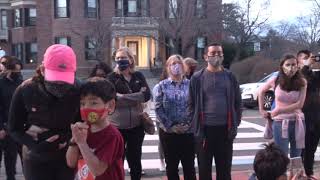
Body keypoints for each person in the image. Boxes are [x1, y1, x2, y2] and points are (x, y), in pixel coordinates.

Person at [8, 44, 81, 180]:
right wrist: (34, 145)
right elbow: (14, 128)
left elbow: (84, 122)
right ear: (42, 70)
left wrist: (72, 141)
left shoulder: (79, 89)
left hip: (67, 156)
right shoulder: (25, 90)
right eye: (55, 79)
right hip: (35, 157)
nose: (60, 85)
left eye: (65, 80)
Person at [188, 43, 242, 180]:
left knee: (224, 170)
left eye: (219, 53)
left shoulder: (230, 77)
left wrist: (236, 121)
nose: (217, 56)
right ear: (206, 56)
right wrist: (194, 125)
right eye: (213, 53)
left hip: (225, 130)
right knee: (204, 169)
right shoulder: (197, 78)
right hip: (204, 130)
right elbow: (191, 104)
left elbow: (237, 102)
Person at [66, 77, 125, 180]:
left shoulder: (112, 136)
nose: (86, 108)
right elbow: (71, 163)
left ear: (110, 105)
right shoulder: (83, 130)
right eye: (82, 103)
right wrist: (74, 140)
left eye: (94, 103)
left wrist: (82, 143)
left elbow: (97, 170)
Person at [108, 47, 151, 180]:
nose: (121, 60)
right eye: (118, 58)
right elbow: (111, 99)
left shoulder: (138, 76)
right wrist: (135, 97)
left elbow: (147, 95)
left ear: (131, 59)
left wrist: (122, 97)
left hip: (137, 126)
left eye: (124, 57)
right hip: (117, 127)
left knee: (135, 160)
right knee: (117, 161)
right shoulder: (111, 78)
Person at [154, 55, 196, 180]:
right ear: (168, 67)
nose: (175, 66)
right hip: (169, 133)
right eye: (172, 63)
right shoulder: (161, 86)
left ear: (183, 66)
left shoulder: (191, 85)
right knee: (171, 168)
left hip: (188, 132)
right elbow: (158, 108)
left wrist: (188, 125)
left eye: (178, 63)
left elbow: (195, 106)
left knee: (189, 167)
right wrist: (171, 126)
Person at [259, 54, 307, 158]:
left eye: (294, 64)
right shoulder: (275, 80)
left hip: (298, 121)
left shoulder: (302, 82)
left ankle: (295, 174)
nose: (291, 68)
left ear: (298, 66)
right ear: (282, 66)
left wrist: (280, 109)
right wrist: (262, 109)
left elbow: (300, 104)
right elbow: (261, 91)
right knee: (281, 155)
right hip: (280, 122)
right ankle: (282, 174)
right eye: (288, 65)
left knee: (296, 156)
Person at [297, 50, 320, 179]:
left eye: (309, 58)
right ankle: (300, 172)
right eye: (305, 58)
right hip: (303, 116)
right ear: (298, 60)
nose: (308, 60)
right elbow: (301, 81)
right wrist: (306, 66)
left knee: (312, 148)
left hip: (316, 115)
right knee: (302, 148)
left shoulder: (312, 74)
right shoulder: (297, 75)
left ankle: (309, 172)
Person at [0, 56, 23, 180]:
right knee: (10, 157)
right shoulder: (1, 83)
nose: (17, 74)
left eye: (19, 72)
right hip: (6, 125)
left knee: (26, 156)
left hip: (21, 126)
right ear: (8, 70)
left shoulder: (21, 82)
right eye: (15, 72)